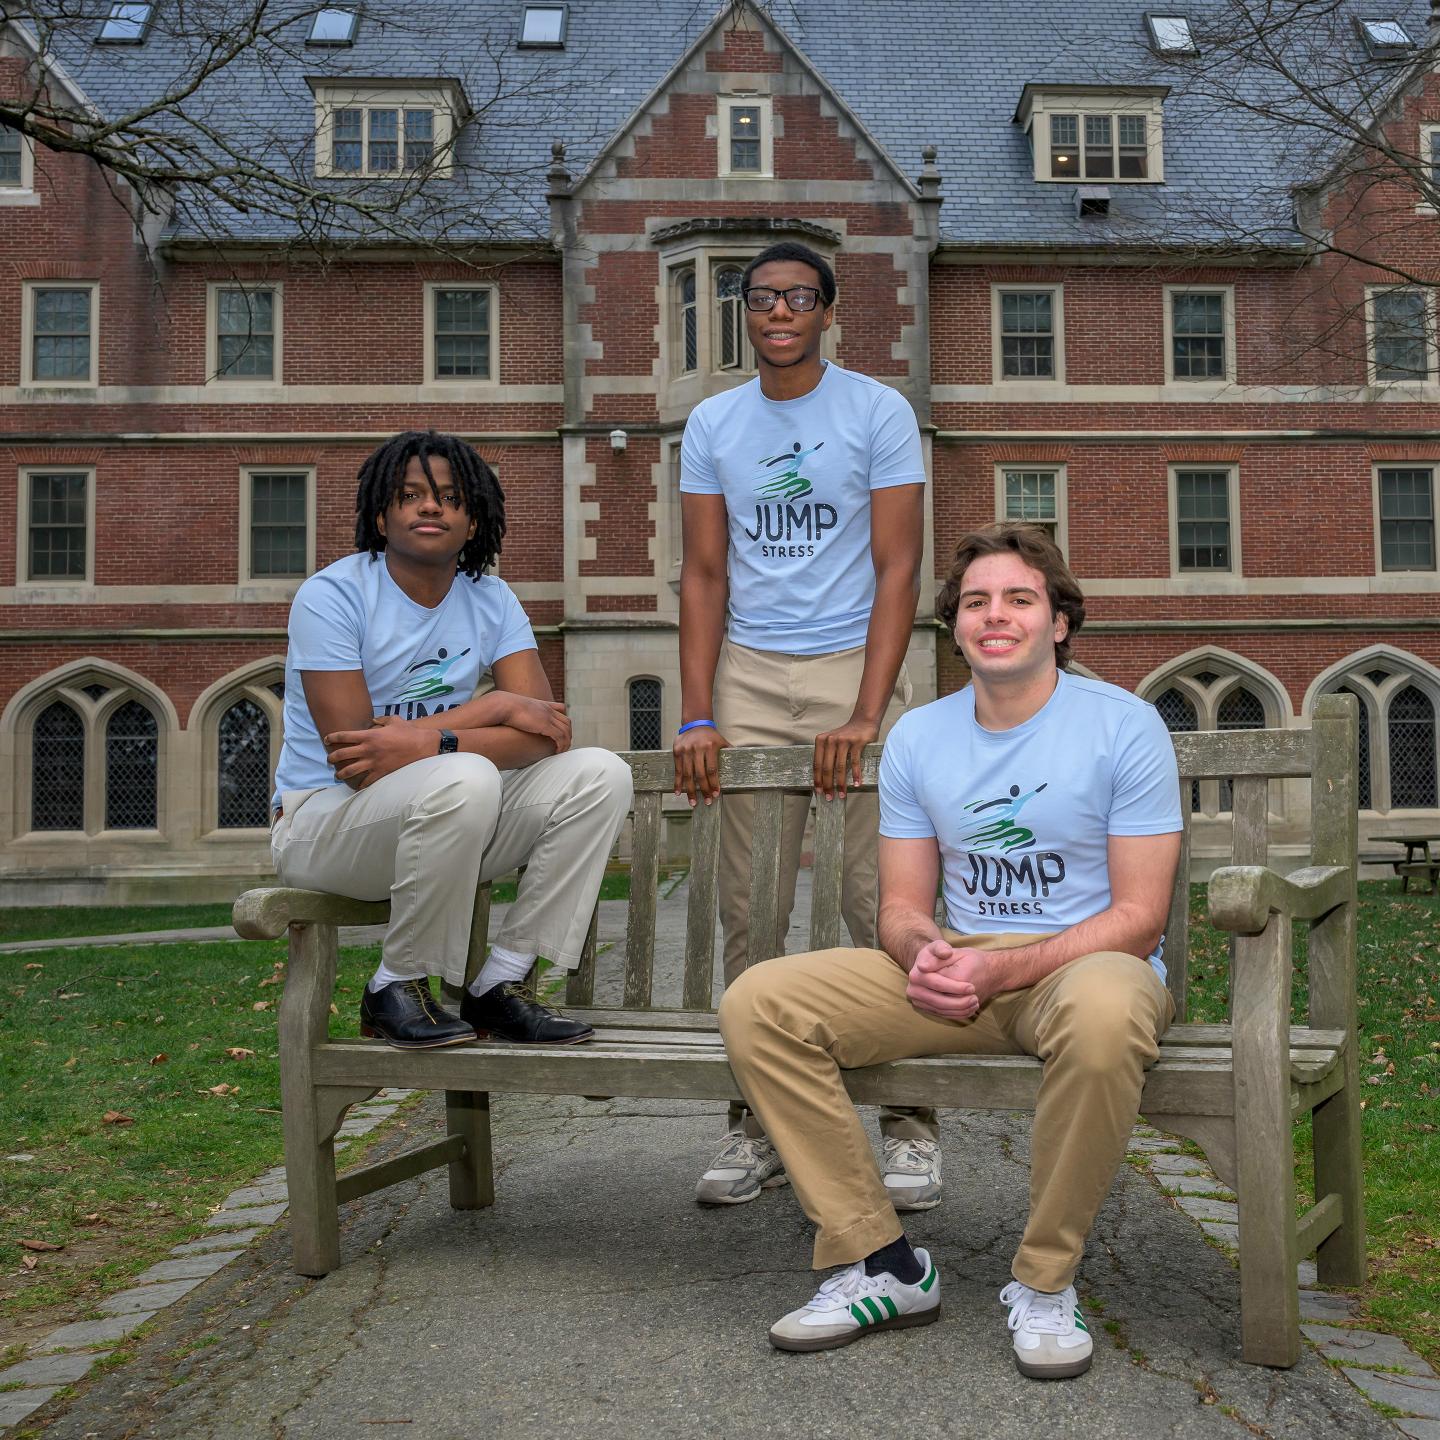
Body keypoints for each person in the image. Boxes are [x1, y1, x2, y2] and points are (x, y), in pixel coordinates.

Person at [717, 523, 1183, 1377]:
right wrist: (925, 948)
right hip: (961, 969)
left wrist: (1003, 967)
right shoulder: (921, 737)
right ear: (956, 625)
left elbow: (1141, 917)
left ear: (1060, 623)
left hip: (1083, 971)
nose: (995, 615)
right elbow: (900, 903)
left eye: (1019, 599)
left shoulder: (1125, 726)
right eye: (976, 602)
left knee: (1111, 1007)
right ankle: (880, 1264)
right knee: (760, 1001)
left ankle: (1044, 1283)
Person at [672, 241, 939, 1209]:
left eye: (799, 297)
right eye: (761, 298)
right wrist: (699, 710)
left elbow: (898, 567)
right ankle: (759, 1126)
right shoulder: (712, 422)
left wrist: (870, 709)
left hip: (852, 668)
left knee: (886, 907)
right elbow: (703, 574)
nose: (778, 311)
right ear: (743, 313)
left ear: (830, 312)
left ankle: (911, 1126)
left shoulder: (877, 411)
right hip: (749, 676)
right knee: (752, 914)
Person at [270, 430, 632, 1049]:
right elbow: (356, 761)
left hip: (453, 819)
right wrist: (493, 706)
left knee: (600, 773)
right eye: (409, 495)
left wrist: (421, 740)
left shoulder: (491, 600)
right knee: (466, 774)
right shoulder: (331, 596)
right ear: (381, 517)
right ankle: (396, 984)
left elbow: (547, 738)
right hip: (323, 823)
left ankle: (501, 984)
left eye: (449, 497)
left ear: (473, 521)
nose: (430, 507)